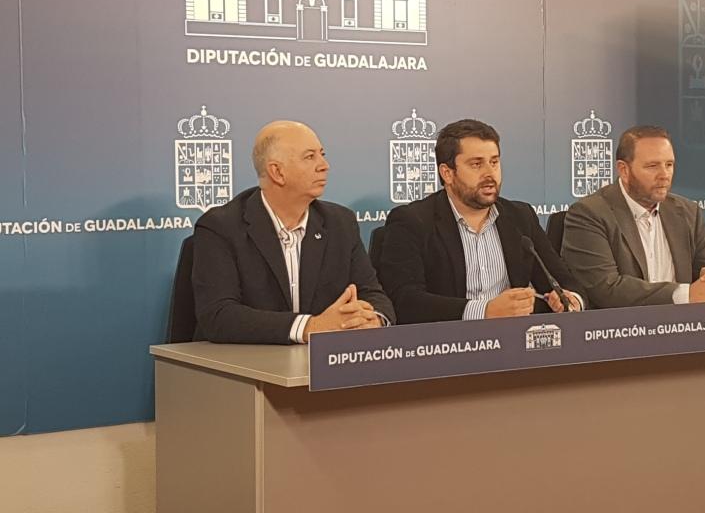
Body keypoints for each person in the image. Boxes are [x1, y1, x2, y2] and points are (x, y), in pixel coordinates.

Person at [191, 120, 394, 344]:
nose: (324, 165)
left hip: (321, 361)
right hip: (243, 361)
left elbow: (372, 294)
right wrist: (308, 327)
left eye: (322, 154)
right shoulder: (221, 227)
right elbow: (219, 315)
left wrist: (372, 319)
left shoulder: (340, 223)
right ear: (277, 172)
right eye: (310, 157)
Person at [377, 119, 584, 324]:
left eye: (494, 162)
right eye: (476, 164)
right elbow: (405, 301)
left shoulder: (520, 217)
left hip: (513, 338)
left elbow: (563, 281)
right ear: (447, 173)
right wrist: (485, 311)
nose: (489, 173)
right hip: (446, 340)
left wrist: (571, 299)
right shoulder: (412, 221)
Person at [561, 125, 705, 309]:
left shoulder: (687, 212)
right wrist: (686, 295)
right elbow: (606, 289)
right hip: (621, 325)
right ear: (624, 170)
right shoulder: (590, 214)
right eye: (653, 166)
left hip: (684, 324)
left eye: (669, 165)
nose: (664, 175)